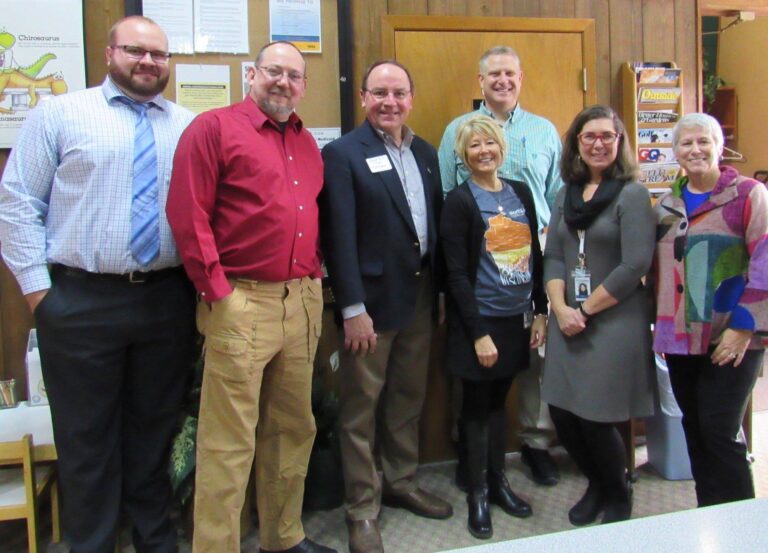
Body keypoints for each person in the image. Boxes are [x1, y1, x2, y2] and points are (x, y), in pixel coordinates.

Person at [0, 16, 196, 552]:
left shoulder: (187, 125)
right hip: (80, 300)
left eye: (159, 54)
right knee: (86, 441)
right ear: (110, 54)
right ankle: (92, 544)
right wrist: (42, 296)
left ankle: (156, 540)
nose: (149, 62)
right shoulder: (61, 113)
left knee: (154, 431)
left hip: (164, 299)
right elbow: (16, 204)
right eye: (136, 50)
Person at [166, 41, 336, 553]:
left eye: (294, 76)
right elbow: (188, 214)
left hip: (302, 301)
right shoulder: (214, 128)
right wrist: (218, 291)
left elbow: (310, 212)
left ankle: (283, 537)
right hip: (241, 300)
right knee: (228, 441)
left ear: (305, 85)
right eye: (274, 72)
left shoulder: (307, 142)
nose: (283, 83)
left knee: (293, 429)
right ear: (252, 74)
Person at [320, 60, 451, 553]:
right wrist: (352, 306)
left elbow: (433, 227)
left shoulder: (426, 153)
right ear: (363, 97)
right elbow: (338, 237)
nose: (389, 102)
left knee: (407, 399)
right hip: (369, 305)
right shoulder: (343, 154)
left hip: (418, 297)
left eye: (398, 93)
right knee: (360, 409)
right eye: (379, 93)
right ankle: (361, 509)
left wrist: (438, 293)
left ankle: (401, 481)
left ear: (411, 97)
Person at [438, 45, 563, 487]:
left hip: (530, 270)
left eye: (510, 73)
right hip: (478, 276)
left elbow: (556, 197)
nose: (502, 81)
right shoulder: (458, 130)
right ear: (481, 81)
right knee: (475, 374)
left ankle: (534, 443)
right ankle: (471, 460)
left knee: (530, 364)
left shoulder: (545, 132)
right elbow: (450, 204)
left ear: (520, 77)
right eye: (494, 74)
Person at [541, 105, 656, 525]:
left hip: (611, 318)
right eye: (589, 136)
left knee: (595, 415)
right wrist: (559, 308)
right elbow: (553, 254)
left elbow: (635, 264)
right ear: (577, 143)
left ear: (620, 142)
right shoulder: (565, 193)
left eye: (608, 136)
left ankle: (618, 492)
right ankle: (597, 482)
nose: (598, 143)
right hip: (567, 316)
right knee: (563, 413)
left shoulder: (632, 194)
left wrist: (583, 311)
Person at [653, 112, 768, 507]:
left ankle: (744, 527)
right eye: (686, 143)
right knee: (695, 429)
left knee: (720, 430)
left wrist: (745, 326)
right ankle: (708, 515)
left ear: (720, 147)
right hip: (681, 336)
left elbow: (765, 262)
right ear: (676, 153)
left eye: (704, 141)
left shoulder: (748, 194)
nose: (695, 149)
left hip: (731, 335)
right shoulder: (667, 204)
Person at [440, 115, 547, 539]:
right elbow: (456, 274)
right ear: (463, 156)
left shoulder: (520, 192)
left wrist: (539, 310)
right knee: (476, 407)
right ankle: (478, 492)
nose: (483, 151)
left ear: (502, 148)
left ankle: (500, 481)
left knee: (500, 403)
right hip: (479, 322)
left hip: (515, 319)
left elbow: (534, 256)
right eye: (473, 146)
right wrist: (477, 332)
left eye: (489, 143)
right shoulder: (460, 201)